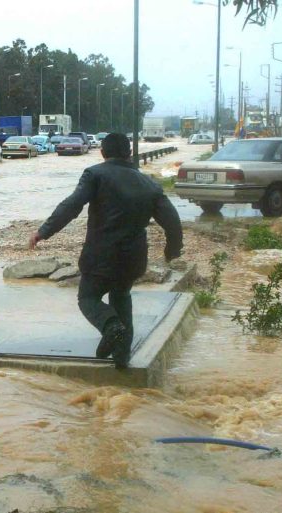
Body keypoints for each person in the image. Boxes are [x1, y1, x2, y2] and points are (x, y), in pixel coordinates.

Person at [28, 133, 183, 369]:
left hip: (101, 255)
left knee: (88, 298)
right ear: (129, 153)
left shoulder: (95, 174)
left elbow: (72, 205)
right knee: (121, 297)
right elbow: (172, 222)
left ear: (102, 152)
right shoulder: (149, 184)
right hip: (133, 259)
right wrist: (172, 251)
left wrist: (43, 232)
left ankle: (111, 327)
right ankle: (122, 359)